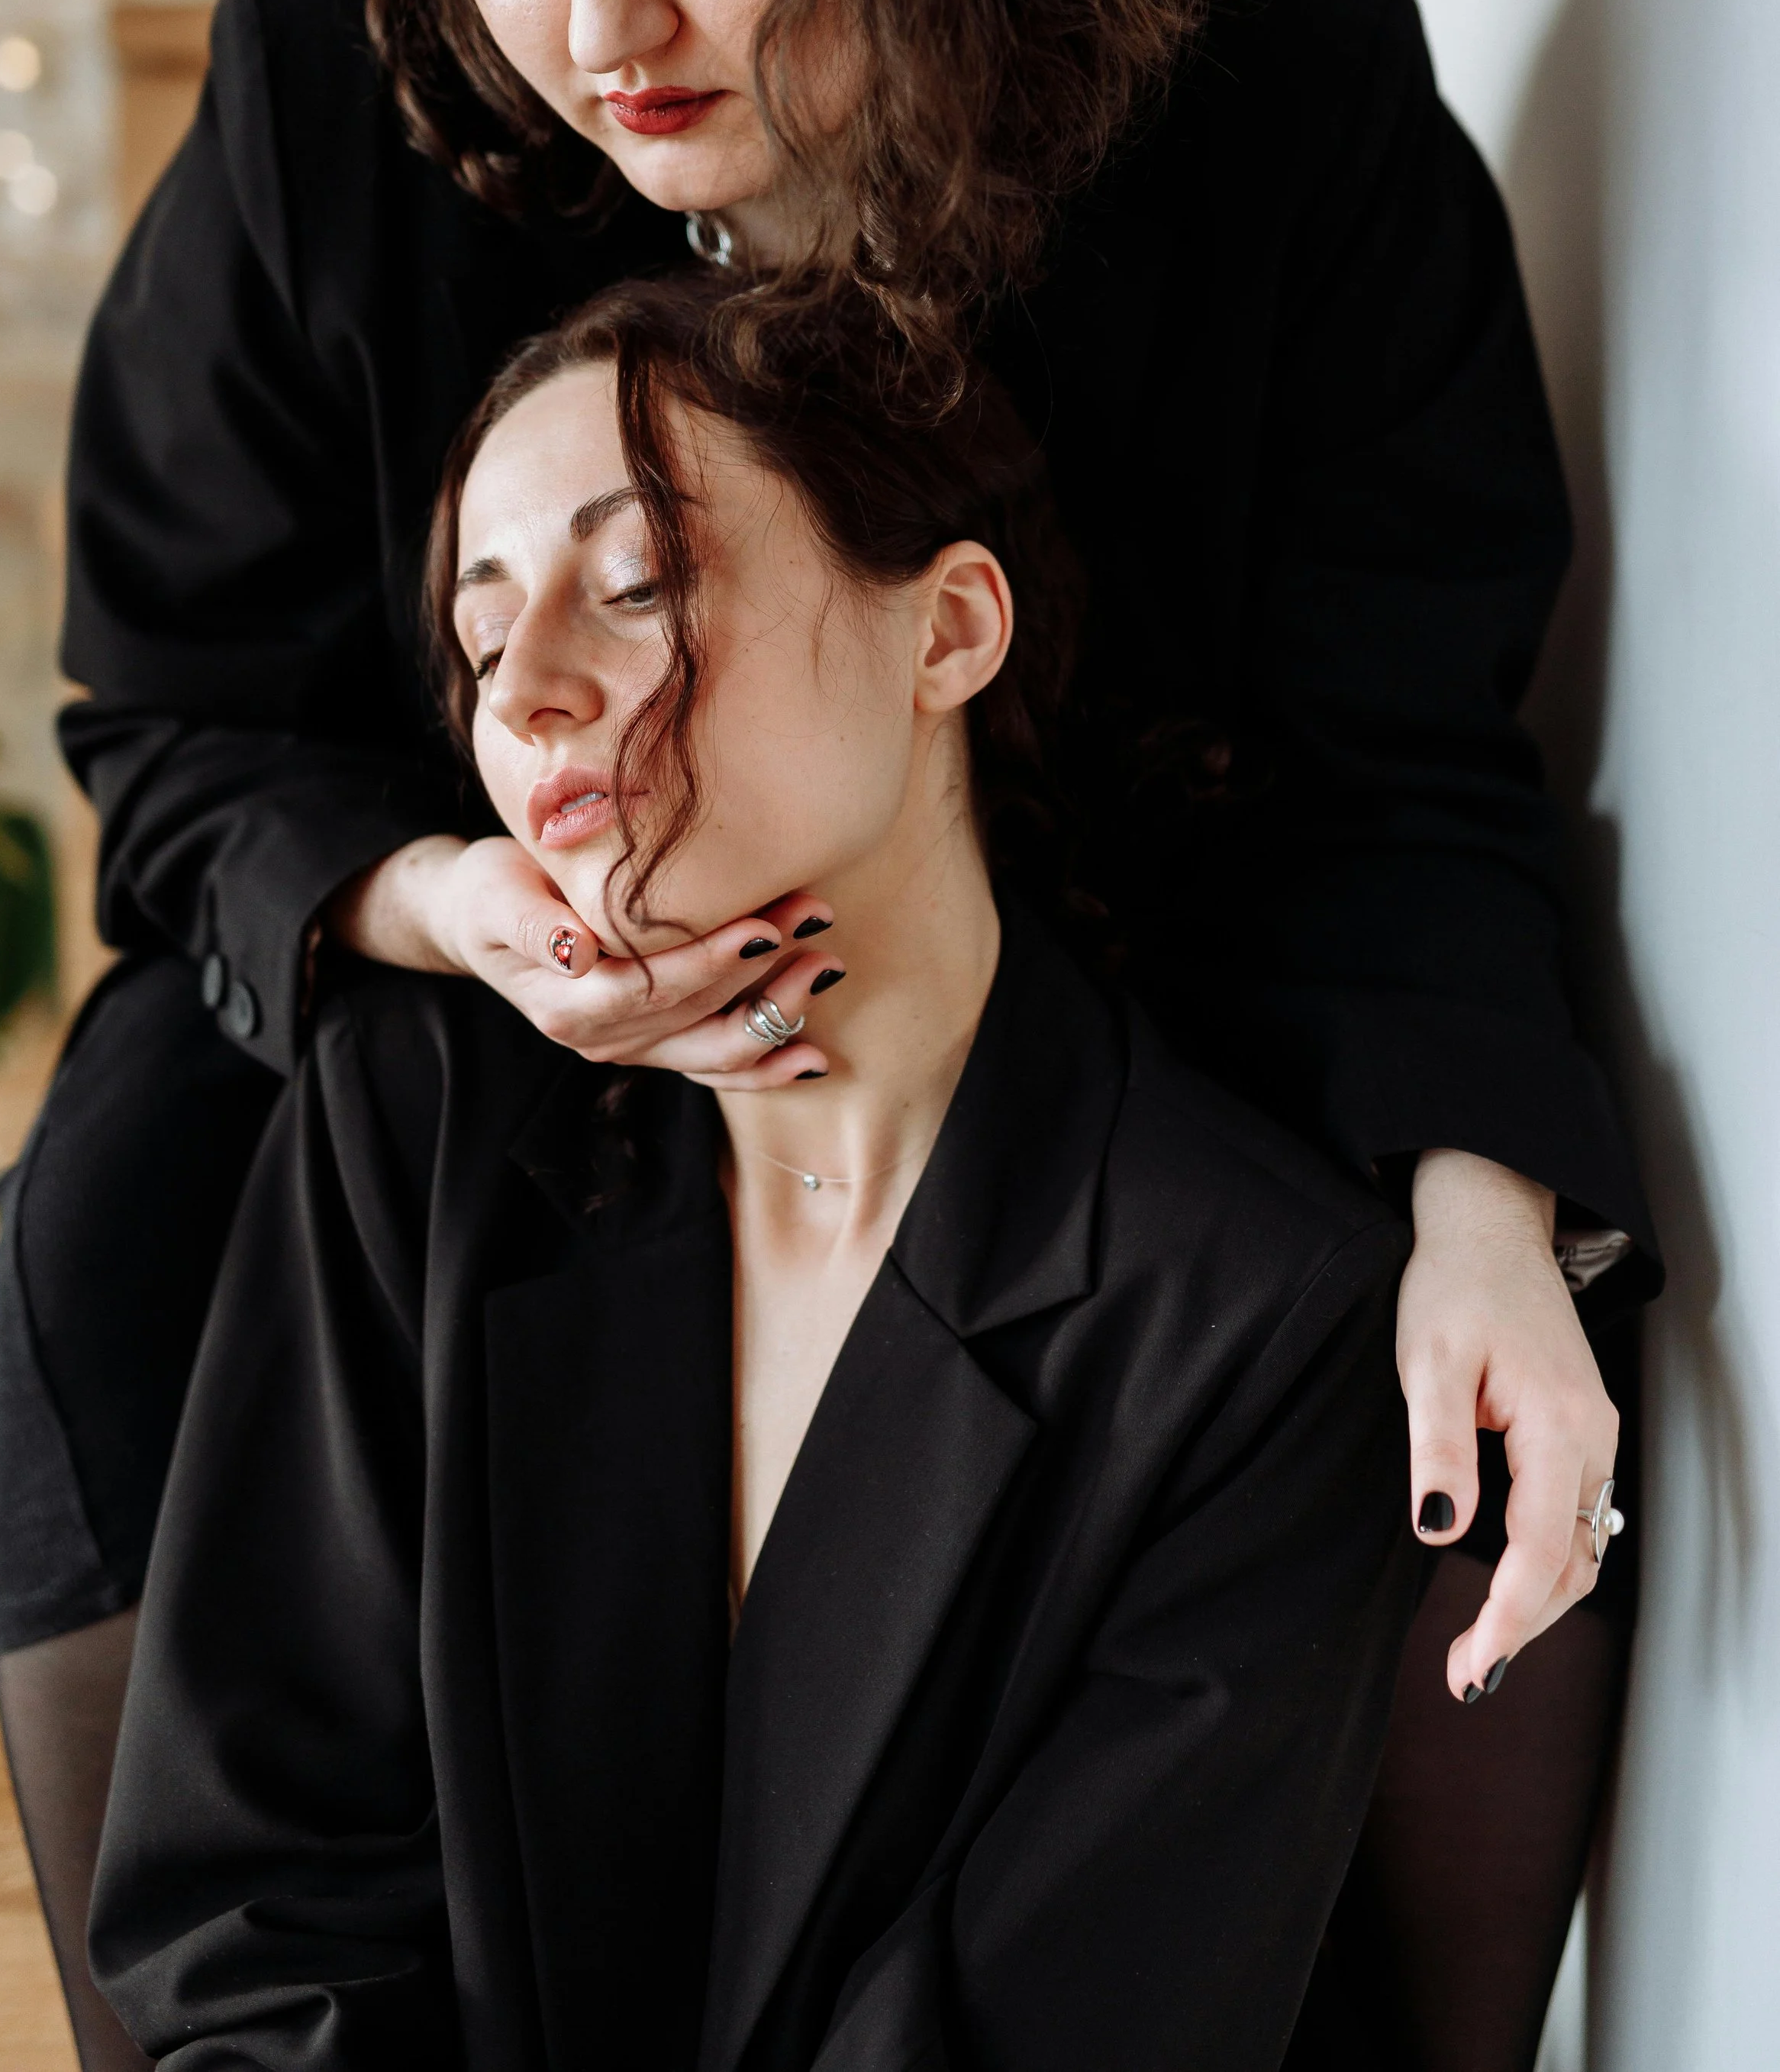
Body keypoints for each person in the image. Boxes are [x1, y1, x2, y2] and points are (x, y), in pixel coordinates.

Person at [0, 0, 1654, 2072]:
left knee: (1459, 1377)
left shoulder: (1288, 112)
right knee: (139, 1163)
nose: (599, 30)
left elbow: (1406, 745)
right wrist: (451, 906)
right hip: (519, 1033)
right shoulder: (328, 104)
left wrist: (1488, 1192)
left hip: (1093, 993)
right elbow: (176, 724)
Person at [88, 273, 1423, 2070]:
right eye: (484, 645)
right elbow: (248, 1917)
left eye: (635, 584)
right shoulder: (408, 1125)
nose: (537, 694)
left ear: (946, 629)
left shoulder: (1252, 1318)